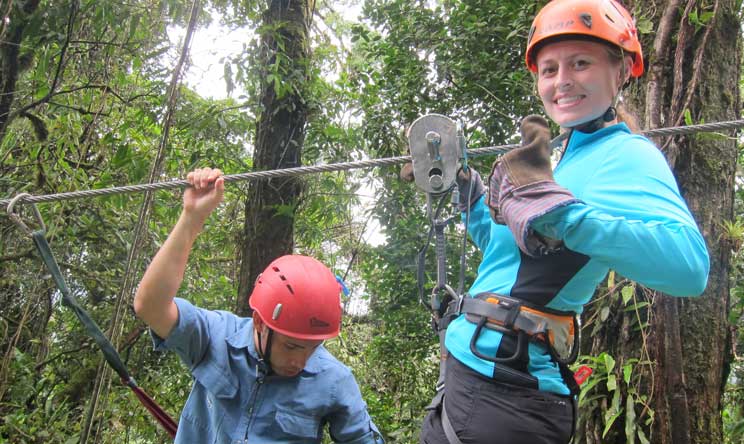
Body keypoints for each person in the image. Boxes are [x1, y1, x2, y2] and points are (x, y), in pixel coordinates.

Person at [417, 0, 711, 442]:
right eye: (549, 69)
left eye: (580, 63)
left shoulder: (628, 155)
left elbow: (690, 269)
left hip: (508, 391)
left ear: (622, 69)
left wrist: (565, 218)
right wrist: (470, 195)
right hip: (467, 372)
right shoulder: (552, 159)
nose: (562, 81)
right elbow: (513, 258)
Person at [134, 167, 384, 443]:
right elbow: (150, 306)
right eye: (291, 346)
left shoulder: (333, 380)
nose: (300, 362)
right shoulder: (216, 338)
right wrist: (192, 218)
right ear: (259, 322)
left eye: (313, 348)